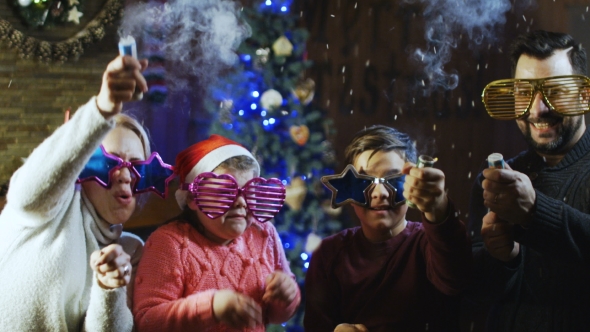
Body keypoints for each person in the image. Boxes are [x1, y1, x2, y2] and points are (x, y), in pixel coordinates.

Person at [0, 55, 153, 331]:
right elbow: (24, 193)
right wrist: (102, 109)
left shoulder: (130, 250)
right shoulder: (51, 205)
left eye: (137, 166)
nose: (127, 175)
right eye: (111, 162)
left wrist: (109, 287)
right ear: (81, 165)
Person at [467, 30, 590, 330]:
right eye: (524, 92)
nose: (538, 109)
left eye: (556, 91)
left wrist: (536, 212)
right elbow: (475, 293)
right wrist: (503, 258)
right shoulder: (497, 177)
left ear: (584, 95)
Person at [304, 125, 472, 332]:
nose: (380, 193)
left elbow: (454, 278)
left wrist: (438, 209)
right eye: (364, 182)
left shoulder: (430, 244)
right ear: (348, 187)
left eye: (394, 180)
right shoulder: (329, 254)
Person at [133, 134, 301, 331]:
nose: (241, 202)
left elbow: (276, 315)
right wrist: (210, 307)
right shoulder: (169, 243)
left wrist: (287, 297)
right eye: (223, 192)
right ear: (191, 199)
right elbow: (147, 321)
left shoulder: (264, 234)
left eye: (249, 192)